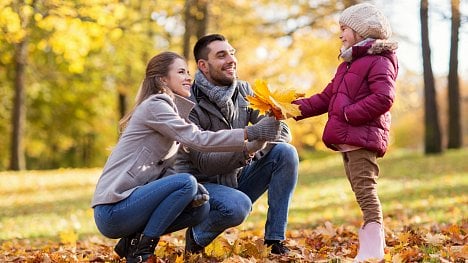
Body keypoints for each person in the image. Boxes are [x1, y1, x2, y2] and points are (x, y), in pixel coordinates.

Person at [91, 51, 281, 263]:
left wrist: (255, 144)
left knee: (200, 209)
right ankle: (142, 251)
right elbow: (198, 139)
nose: (188, 77)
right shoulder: (155, 105)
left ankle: (131, 242)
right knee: (188, 182)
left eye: (188, 72)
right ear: (163, 79)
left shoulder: (171, 111)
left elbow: (169, 171)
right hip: (113, 209)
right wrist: (251, 132)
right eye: (181, 72)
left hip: (132, 205)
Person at [175, 34, 299, 256]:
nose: (231, 59)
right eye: (221, 55)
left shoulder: (244, 91)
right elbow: (204, 163)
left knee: (286, 152)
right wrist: (249, 147)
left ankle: (274, 241)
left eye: (232, 53)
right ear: (203, 65)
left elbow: (283, 133)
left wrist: (260, 144)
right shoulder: (188, 102)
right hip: (202, 187)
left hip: (236, 176)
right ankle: (196, 237)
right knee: (237, 206)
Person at [292, 3, 398, 262]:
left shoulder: (378, 61)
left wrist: (350, 114)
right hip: (349, 140)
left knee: (365, 189)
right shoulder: (348, 64)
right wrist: (291, 109)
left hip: (362, 138)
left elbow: (384, 97)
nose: (340, 34)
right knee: (360, 189)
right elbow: (325, 98)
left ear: (361, 31)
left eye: (344, 28)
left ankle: (373, 247)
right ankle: (374, 239)